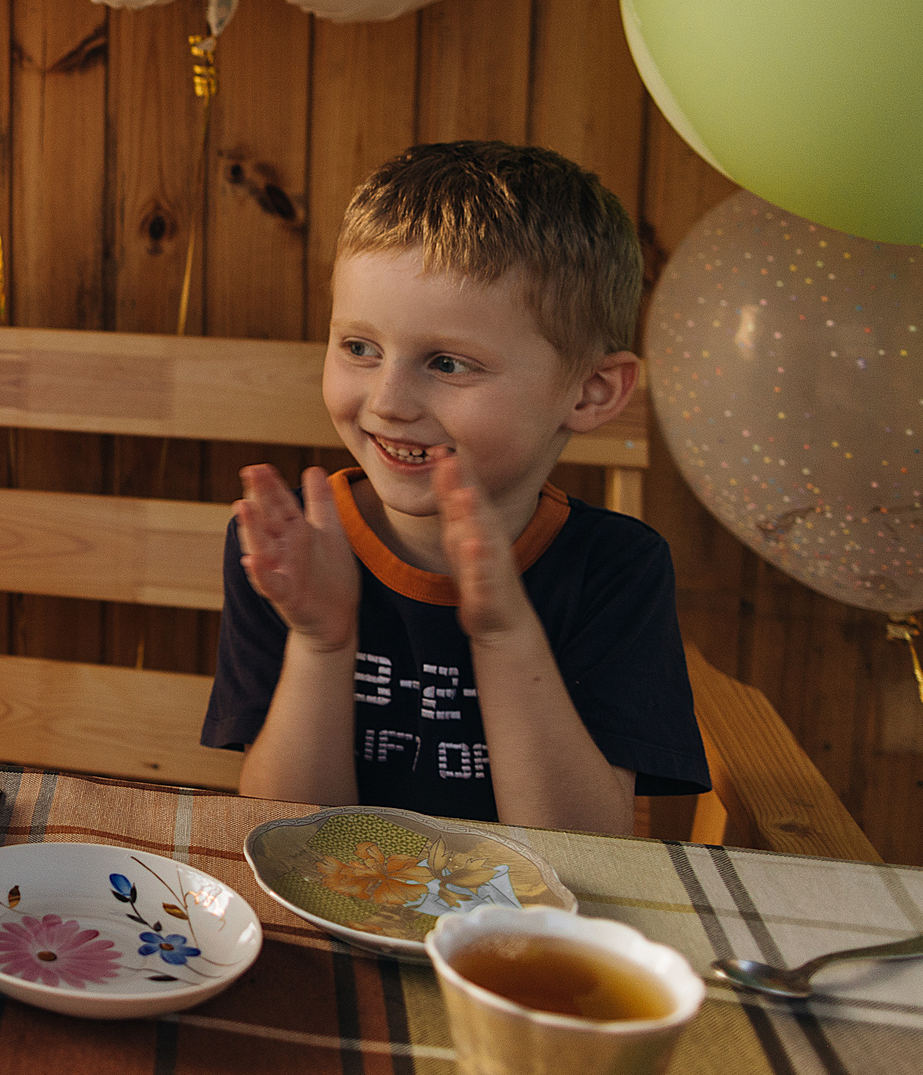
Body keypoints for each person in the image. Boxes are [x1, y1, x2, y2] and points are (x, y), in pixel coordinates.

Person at [201, 141, 709, 832]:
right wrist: (320, 640)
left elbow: (585, 858)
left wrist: (503, 632)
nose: (387, 400)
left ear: (591, 392)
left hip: (522, 929)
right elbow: (284, 840)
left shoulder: (615, 569)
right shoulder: (293, 552)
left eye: (446, 362)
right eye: (359, 347)